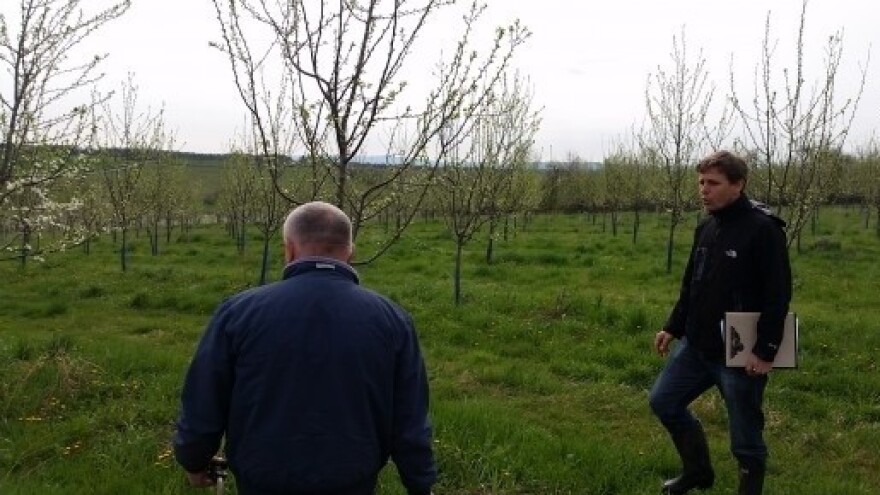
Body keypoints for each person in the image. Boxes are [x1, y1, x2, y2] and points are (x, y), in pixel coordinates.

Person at [173, 201, 437, 495]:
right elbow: (409, 418)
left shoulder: (238, 313)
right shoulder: (392, 320)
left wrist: (194, 460)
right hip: (351, 481)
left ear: (289, 249)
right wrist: (420, 483)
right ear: (350, 252)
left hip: (263, 479)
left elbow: (205, 398)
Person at [648, 151, 792, 495]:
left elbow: (778, 295)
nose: (704, 190)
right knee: (664, 401)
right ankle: (697, 472)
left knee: (745, 436)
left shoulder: (763, 229)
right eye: (701, 182)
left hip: (741, 350)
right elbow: (692, 284)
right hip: (697, 345)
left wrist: (766, 350)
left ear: (738, 185)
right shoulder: (707, 225)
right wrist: (673, 327)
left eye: (713, 183)